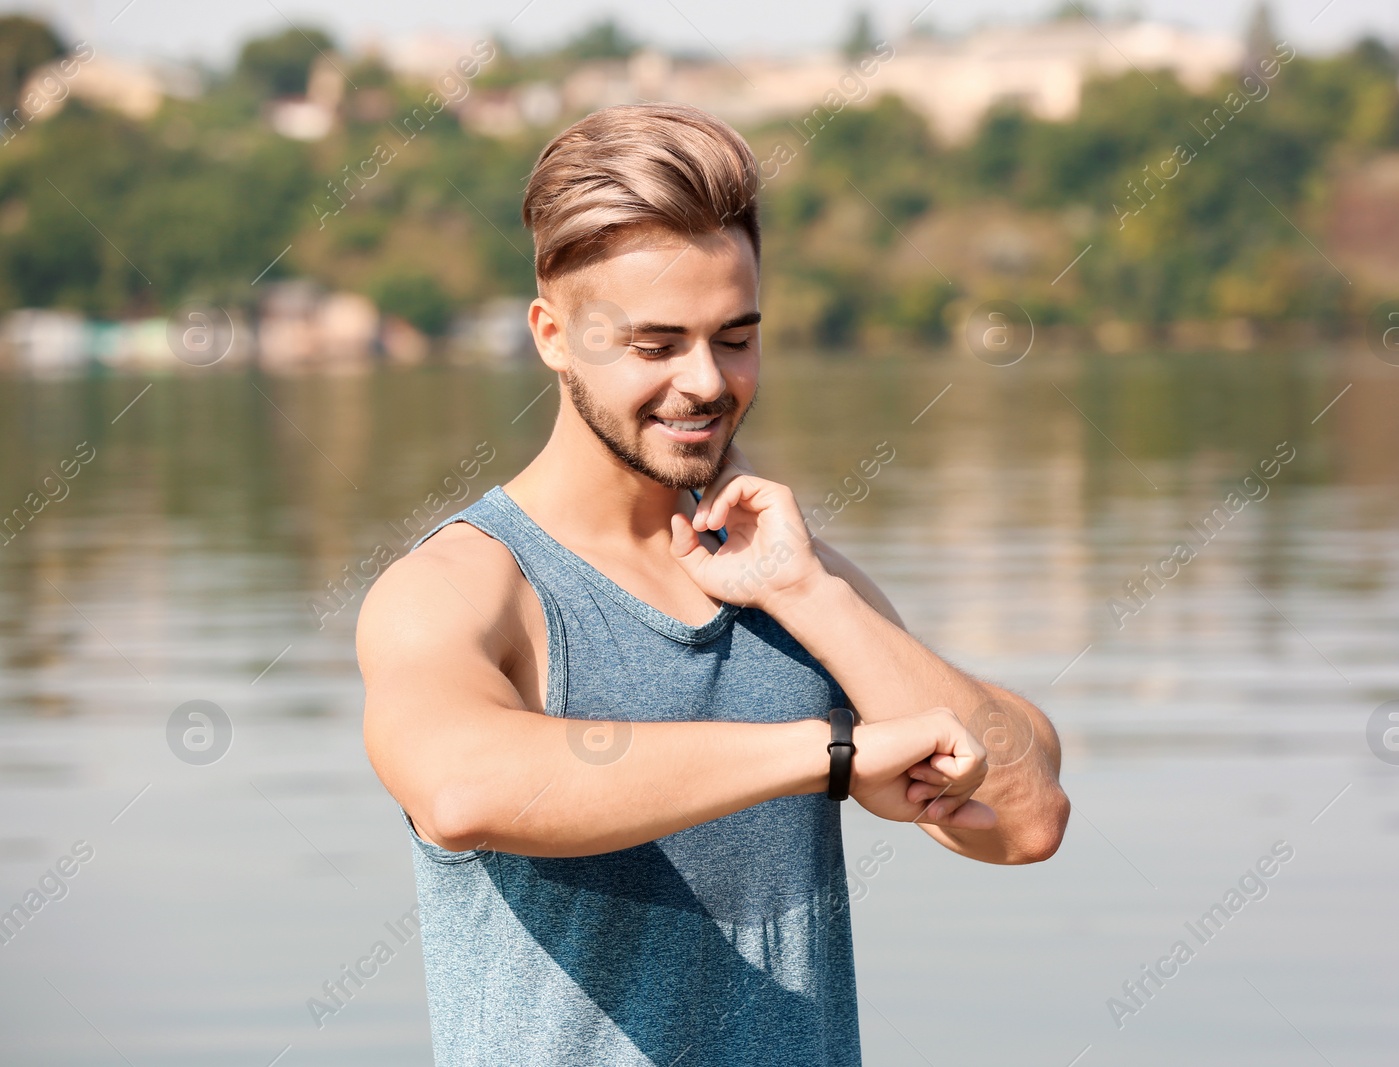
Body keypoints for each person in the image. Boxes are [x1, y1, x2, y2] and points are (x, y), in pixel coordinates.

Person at [357, 101, 1069, 1067]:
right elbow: (460, 786)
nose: (705, 383)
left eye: (735, 337)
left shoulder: (794, 581)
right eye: (655, 346)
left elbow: (1026, 817)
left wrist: (812, 596)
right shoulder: (463, 586)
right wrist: (824, 753)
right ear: (552, 335)